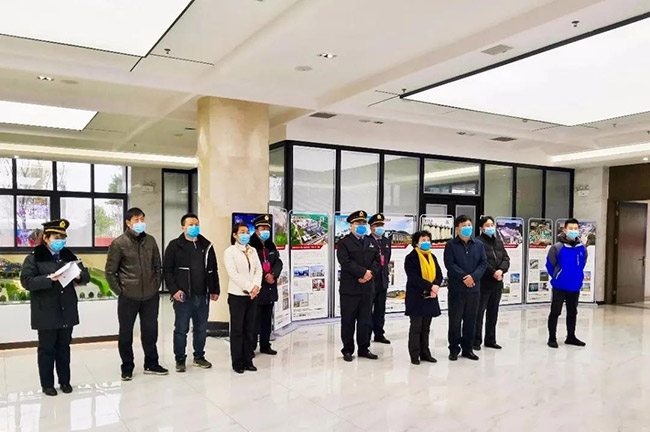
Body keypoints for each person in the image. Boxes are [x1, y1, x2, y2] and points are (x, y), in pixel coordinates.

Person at [20, 219, 90, 396]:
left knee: (64, 348)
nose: (60, 241)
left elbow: (85, 276)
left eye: (63, 238)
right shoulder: (34, 257)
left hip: (66, 308)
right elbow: (26, 281)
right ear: (46, 238)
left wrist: (79, 277)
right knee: (47, 349)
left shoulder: (69, 256)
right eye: (56, 238)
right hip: (46, 310)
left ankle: (65, 381)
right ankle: (47, 385)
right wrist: (48, 279)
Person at [105, 207, 167, 381]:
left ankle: (151, 363)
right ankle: (127, 367)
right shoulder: (118, 244)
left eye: (142, 219)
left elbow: (157, 265)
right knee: (126, 333)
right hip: (128, 296)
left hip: (150, 295)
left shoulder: (151, 241)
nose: (140, 223)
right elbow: (110, 272)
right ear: (128, 223)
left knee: (150, 331)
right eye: (136, 220)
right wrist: (120, 291)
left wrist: (156, 285)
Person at [163, 213, 220, 373]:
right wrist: (174, 290)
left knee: (201, 329)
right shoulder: (175, 246)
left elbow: (213, 269)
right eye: (190, 224)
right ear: (183, 227)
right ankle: (180, 359)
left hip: (203, 296)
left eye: (196, 224)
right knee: (181, 329)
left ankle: (199, 357)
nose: (194, 227)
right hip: (183, 296)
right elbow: (167, 270)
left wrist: (215, 289)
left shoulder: (207, 245)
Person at [337, 210, 381, 362]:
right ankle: (347, 350)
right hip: (350, 289)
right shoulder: (344, 242)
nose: (361, 225)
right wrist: (362, 273)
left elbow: (378, 261)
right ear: (351, 225)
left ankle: (364, 348)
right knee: (348, 321)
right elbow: (345, 262)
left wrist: (370, 273)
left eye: (363, 223)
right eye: (358, 223)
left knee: (365, 320)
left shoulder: (371, 241)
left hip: (367, 288)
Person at [444, 215, 487, 361]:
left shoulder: (478, 245)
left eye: (469, 225)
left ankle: (468, 349)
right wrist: (465, 278)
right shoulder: (451, 245)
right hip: (457, 289)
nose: (468, 227)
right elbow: (450, 264)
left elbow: (483, 263)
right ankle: (454, 349)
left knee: (471, 320)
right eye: (464, 225)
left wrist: (473, 277)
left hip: (474, 289)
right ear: (457, 229)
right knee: (455, 321)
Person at [224, 222, 263, 373]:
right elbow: (233, 274)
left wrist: (256, 287)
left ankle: (248, 360)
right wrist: (249, 287)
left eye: (247, 232)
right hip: (237, 296)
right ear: (235, 235)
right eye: (242, 232)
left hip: (252, 296)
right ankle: (237, 362)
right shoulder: (230, 252)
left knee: (249, 329)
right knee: (237, 330)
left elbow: (258, 270)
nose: (246, 234)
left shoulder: (252, 250)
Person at [546, 218, 588, 348]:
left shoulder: (582, 248)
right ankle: (552, 338)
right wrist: (558, 276)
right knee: (555, 312)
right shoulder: (557, 247)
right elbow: (550, 265)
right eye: (571, 229)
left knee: (572, 312)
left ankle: (571, 337)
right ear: (565, 230)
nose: (573, 231)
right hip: (560, 286)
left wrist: (577, 276)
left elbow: (583, 263)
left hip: (574, 286)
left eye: (576, 229)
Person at [404, 231, 442, 365]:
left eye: (428, 240)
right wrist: (431, 286)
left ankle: (425, 353)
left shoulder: (432, 257)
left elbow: (439, 274)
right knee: (416, 326)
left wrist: (436, 285)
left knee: (426, 327)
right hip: (416, 297)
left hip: (430, 296)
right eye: (423, 240)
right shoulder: (411, 258)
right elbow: (413, 278)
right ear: (416, 243)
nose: (426, 242)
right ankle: (414, 354)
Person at [474, 216, 510, 351]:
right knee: (479, 313)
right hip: (483, 283)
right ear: (481, 228)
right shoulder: (477, 242)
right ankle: (476, 341)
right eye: (487, 225)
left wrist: (501, 270)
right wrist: (493, 272)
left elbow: (506, 258)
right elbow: (480, 261)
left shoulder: (498, 241)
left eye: (492, 225)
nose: (490, 227)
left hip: (497, 283)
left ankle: (490, 340)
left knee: (493, 313)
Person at [249, 214, 283, 355]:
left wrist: (273, 274)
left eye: (267, 229)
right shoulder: (250, 246)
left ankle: (265, 345)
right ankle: (251, 347)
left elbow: (278, 262)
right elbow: (251, 267)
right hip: (257, 288)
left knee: (267, 320)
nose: (265, 231)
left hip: (270, 289)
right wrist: (265, 277)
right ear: (256, 230)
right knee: (254, 320)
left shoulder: (270, 245)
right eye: (262, 228)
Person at [368, 213, 392, 344]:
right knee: (367, 309)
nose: (380, 227)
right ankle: (366, 334)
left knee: (380, 309)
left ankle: (379, 334)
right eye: (377, 225)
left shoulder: (386, 242)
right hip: (370, 279)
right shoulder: (367, 241)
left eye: (381, 225)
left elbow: (386, 260)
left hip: (382, 280)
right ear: (371, 227)